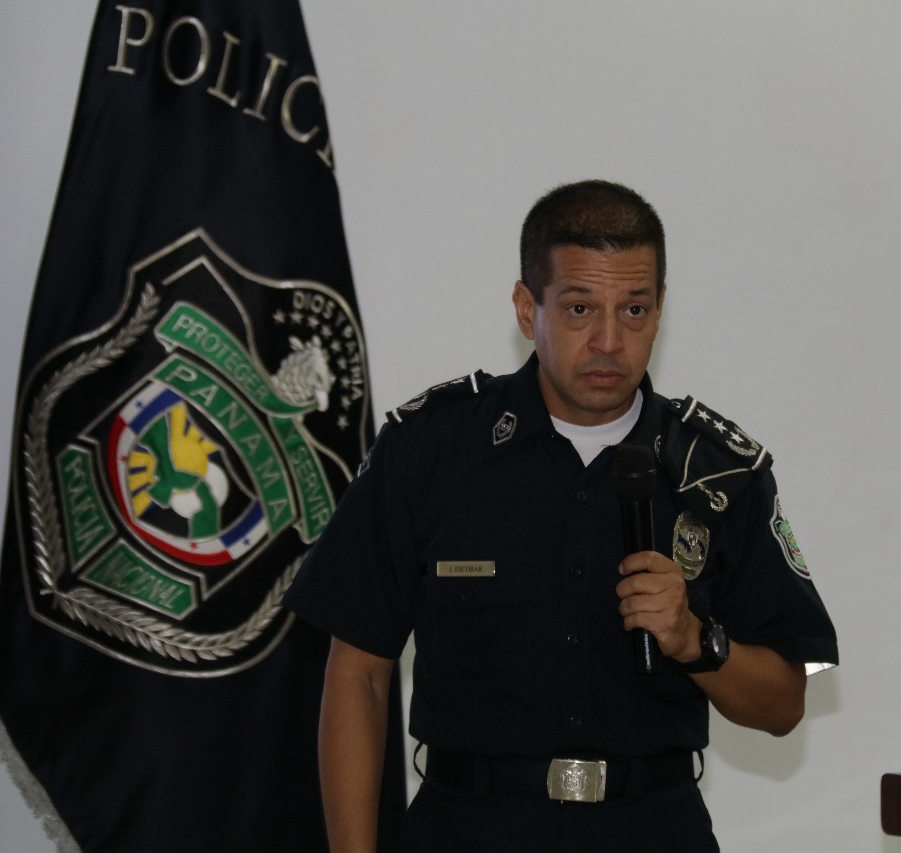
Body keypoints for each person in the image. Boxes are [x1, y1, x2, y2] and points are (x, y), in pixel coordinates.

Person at [283, 180, 838, 852]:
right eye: (580, 309)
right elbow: (358, 674)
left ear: (660, 310)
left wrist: (695, 639)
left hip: (651, 829)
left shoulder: (718, 472)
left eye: (634, 310)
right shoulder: (432, 450)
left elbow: (784, 704)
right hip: (469, 827)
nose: (609, 341)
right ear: (528, 309)